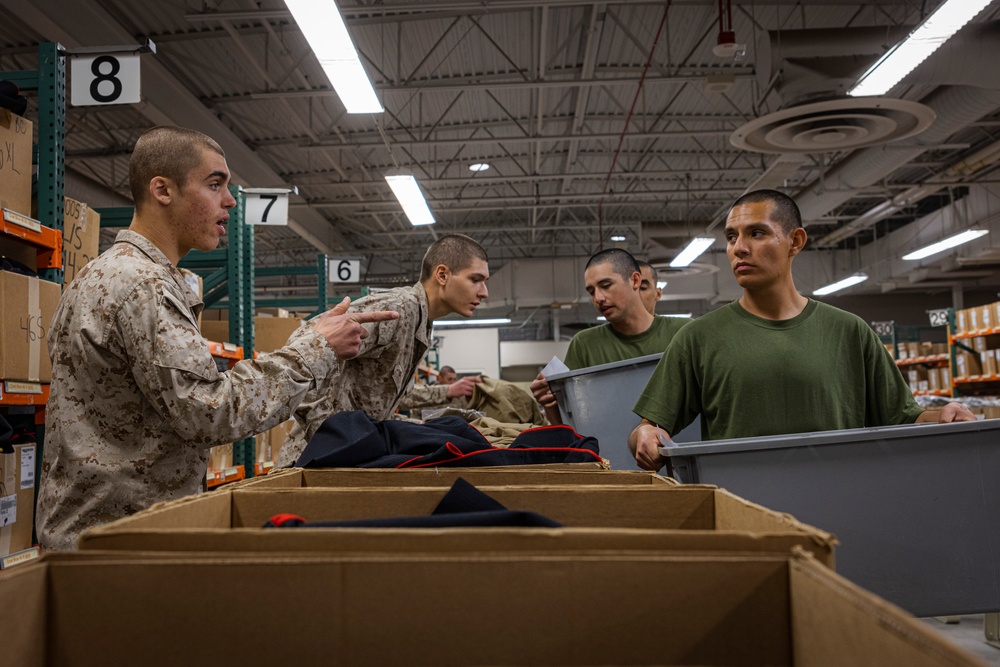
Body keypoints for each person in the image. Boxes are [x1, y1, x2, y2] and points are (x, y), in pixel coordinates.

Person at [36, 125, 399, 550]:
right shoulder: (143, 287)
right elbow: (212, 413)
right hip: (120, 545)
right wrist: (315, 348)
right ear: (162, 190)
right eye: (215, 184)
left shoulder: (106, 274)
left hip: (105, 538)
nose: (229, 201)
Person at [629, 189, 976, 471]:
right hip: (743, 511)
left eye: (757, 233)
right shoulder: (699, 337)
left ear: (795, 241)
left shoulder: (849, 331)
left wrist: (942, 416)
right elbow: (648, 429)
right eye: (731, 237)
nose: (739, 248)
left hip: (843, 504)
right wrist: (646, 434)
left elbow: (903, 418)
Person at [276, 233, 491, 466]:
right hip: (312, 460)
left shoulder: (421, 323)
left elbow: (386, 396)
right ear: (442, 275)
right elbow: (304, 344)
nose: (484, 292)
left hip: (346, 462)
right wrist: (331, 431)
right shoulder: (396, 309)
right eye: (475, 279)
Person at [530, 248, 687, 425]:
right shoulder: (585, 344)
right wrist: (549, 403)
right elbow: (570, 427)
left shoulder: (684, 334)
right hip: (606, 452)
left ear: (635, 280)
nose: (598, 298)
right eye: (591, 291)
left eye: (606, 286)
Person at [396, 364, 480, 418]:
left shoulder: (459, 398)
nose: (453, 382)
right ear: (439, 378)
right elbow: (415, 414)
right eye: (449, 379)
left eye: (454, 379)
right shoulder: (423, 395)